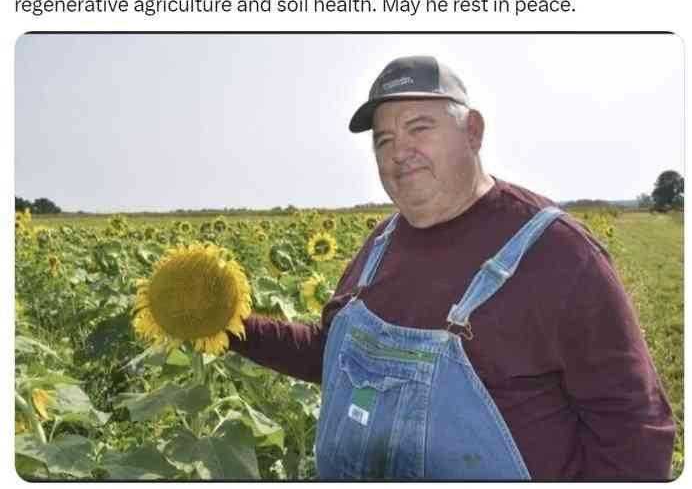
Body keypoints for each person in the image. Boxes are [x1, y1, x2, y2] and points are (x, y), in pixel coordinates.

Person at [228, 55, 675, 480]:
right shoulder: (380, 246)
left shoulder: (558, 255)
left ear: (473, 132)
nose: (399, 152)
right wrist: (229, 326)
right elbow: (330, 356)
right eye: (383, 140)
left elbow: (634, 430)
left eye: (419, 128)